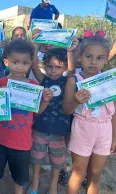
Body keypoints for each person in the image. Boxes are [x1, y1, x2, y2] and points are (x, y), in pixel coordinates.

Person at [0, 40, 52, 194]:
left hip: (21, 142)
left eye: (25, 63)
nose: (20, 66)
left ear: (30, 64)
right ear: (6, 61)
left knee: (20, 179)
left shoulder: (34, 88)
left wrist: (46, 101)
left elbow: (37, 113)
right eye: (15, 62)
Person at [63, 36, 116, 194]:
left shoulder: (110, 81)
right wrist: (76, 100)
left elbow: (114, 112)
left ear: (106, 59)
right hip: (83, 130)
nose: (94, 62)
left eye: (100, 58)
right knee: (78, 173)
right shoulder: (74, 81)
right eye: (89, 57)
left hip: (104, 131)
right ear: (80, 57)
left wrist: (115, 137)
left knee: (95, 174)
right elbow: (66, 110)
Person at [28, 39, 78, 194]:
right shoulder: (44, 80)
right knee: (37, 159)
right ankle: (34, 183)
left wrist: (70, 52)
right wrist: (35, 47)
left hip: (59, 132)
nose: (53, 70)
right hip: (40, 129)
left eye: (58, 67)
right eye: (49, 66)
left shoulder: (67, 81)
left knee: (57, 162)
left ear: (63, 67)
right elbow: (34, 66)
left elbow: (72, 71)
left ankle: (53, 186)